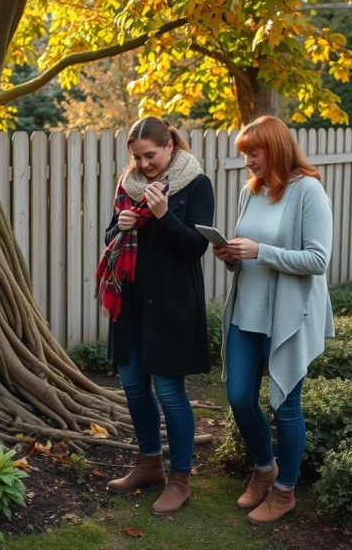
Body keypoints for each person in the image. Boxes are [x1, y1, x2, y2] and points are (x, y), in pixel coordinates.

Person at [212, 115, 333, 524]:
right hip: (247, 311)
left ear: (276, 149)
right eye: (244, 154)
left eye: (253, 153)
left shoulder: (308, 191)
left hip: (287, 316)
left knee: (286, 406)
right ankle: (265, 470)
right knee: (239, 398)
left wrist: (259, 251)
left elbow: (318, 260)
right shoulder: (253, 191)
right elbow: (248, 251)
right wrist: (231, 256)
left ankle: (285, 492)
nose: (247, 161)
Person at [95, 116, 214, 516]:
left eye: (151, 155)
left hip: (170, 303)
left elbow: (196, 246)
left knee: (169, 391)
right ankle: (148, 464)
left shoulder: (196, 183)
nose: (144, 165)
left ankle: (180, 480)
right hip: (130, 302)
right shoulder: (129, 186)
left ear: (169, 147)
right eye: (137, 157)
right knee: (131, 384)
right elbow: (112, 235)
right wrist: (120, 226)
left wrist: (164, 217)